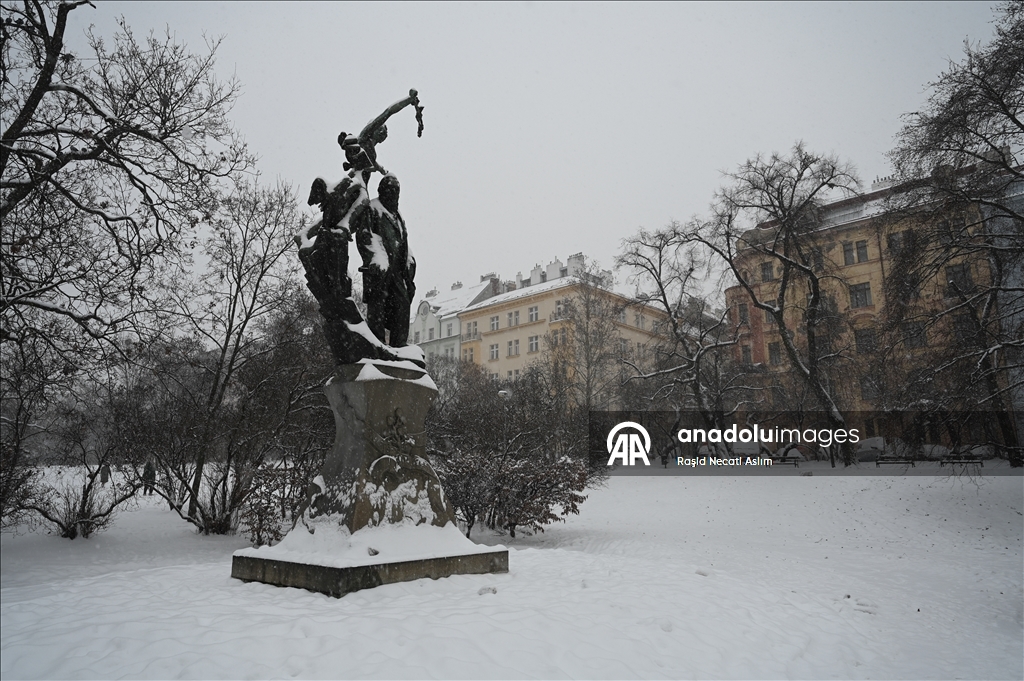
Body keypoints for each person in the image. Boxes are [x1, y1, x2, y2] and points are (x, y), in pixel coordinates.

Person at [357, 174, 416, 346]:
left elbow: (405, 245)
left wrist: (409, 262)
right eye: (390, 190)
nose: (393, 194)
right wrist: (375, 258)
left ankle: (399, 347)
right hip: (380, 272)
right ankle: (377, 345)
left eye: (396, 190)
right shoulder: (372, 209)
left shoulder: (398, 217)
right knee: (378, 308)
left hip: (397, 273)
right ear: (381, 191)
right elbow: (365, 236)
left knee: (402, 305)